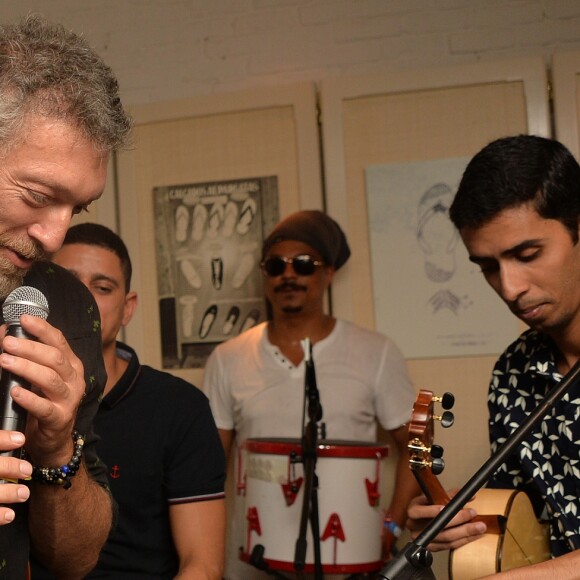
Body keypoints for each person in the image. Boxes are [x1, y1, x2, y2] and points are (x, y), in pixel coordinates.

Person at [204, 209, 418, 579]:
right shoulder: (227, 359)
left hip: (348, 563)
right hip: (254, 564)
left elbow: (417, 445)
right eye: (275, 265)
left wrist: (391, 528)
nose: (288, 274)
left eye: (304, 264)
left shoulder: (375, 352)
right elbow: (206, 468)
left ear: (328, 273)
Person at [406, 135, 580, 577]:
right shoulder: (512, 371)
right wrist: (458, 525)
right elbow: (526, 525)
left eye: (527, 254)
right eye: (487, 266)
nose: (509, 287)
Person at [0, 14, 132, 579]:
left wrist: (56, 448)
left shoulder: (61, 304)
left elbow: (75, 561)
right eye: (36, 195)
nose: (55, 237)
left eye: (77, 208)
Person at [43, 222, 227, 579]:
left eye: (102, 287)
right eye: (68, 282)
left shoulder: (180, 407)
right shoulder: (13, 395)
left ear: (128, 308)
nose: (83, 298)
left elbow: (202, 565)